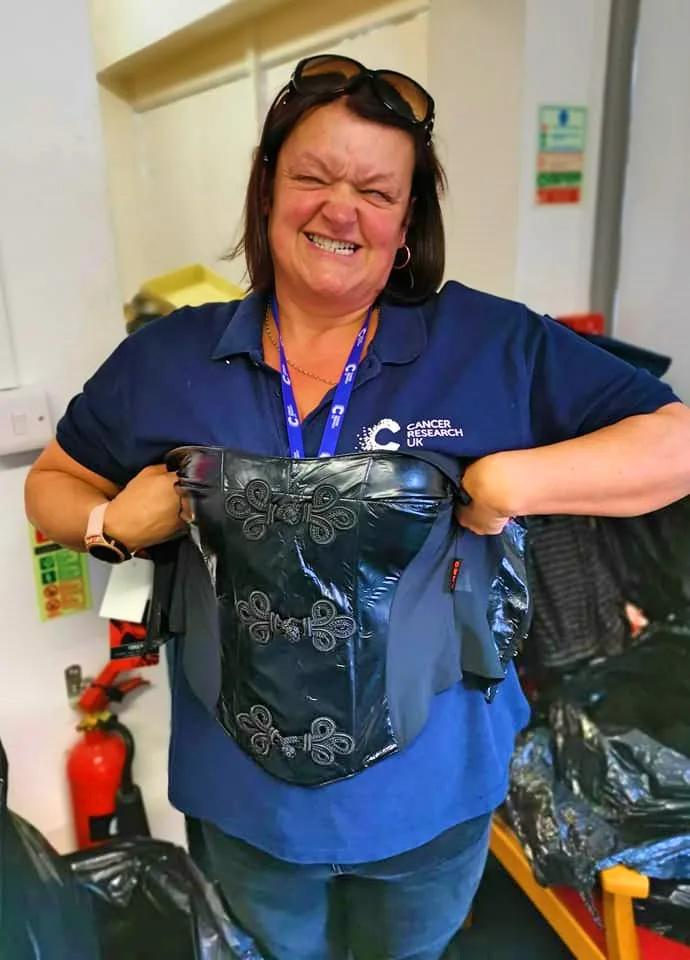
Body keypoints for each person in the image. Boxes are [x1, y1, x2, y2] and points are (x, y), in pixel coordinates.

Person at [25, 54, 690, 960]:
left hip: (433, 795)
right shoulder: (169, 359)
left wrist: (515, 484)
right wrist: (108, 526)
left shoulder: (487, 344)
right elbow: (51, 482)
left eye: (377, 192)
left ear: (407, 223)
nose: (342, 210)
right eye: (314, 177)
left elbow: (673, 441)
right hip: (246, 803)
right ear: (268, 189)